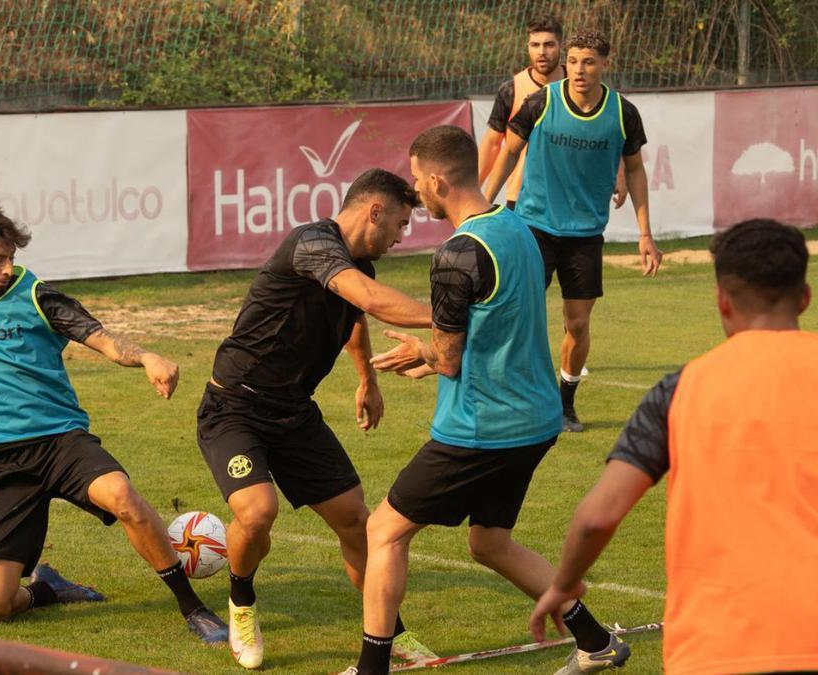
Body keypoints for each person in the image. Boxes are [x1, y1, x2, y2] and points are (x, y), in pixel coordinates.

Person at [341, 126, 628, 675]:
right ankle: (597, 643)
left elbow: (448, 359)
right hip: (536, 419)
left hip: (481, 428)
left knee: (383, 531)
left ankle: (373, 670)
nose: (416, 194)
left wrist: (420, 354)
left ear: (436, 180)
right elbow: (495, 324)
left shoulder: (456, 254)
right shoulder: (517, 228)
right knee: (490, 542)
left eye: (419, 182)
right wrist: (431, 354)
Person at [0, 202, 227, 644]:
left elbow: (101, 338)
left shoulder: (39, 298)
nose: (7, 269)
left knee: (122, 496)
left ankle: (193, 607)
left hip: (58, 440)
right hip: (0, 461)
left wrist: (146, 357)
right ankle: (47, 588)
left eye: (11, 259)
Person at [531, 219, 818, 675]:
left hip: (715, 648)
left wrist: (563, 585)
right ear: (804, 297)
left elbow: (599, 514)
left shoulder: (681, 389)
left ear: (722, 300)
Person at [197, 168, 436, 669]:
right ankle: (241, 601)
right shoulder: (312, 243)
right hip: (234, 407)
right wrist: (451, 316)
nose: (400, 236)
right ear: (374, 210)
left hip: (294, 414)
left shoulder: (358, 270)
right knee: (258, 512)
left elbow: (356, 315)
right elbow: (369, 301)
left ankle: (392, 636)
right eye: (399, 223)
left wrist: (367, 379)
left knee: (356, 522)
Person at [484, 29, 664, 433]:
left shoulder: (622, 112)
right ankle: (514, 399)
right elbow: (508, 152)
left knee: (577, 324)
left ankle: (564, 404)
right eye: (575, 60)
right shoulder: (541, 102)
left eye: (589, 62)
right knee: (518, 317)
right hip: (533, 225)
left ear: (605, 64)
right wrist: (481, 207)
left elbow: (634, 170)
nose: (579, 70)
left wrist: (645, 234)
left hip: (585, 235)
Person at [477, 15, 569, 210]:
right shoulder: (512, 89)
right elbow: (493, 144)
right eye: (535, 45)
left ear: (561, 46)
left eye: (549, 45)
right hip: (522, 199)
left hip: (570, 196)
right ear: (527, 47)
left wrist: (620, 172)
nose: (541, 52)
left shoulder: (578, 84)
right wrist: (473, 191)